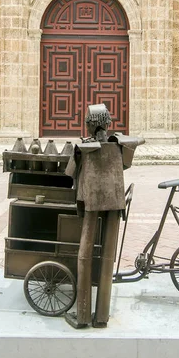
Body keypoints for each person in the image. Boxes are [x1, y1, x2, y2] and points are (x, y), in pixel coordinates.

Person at [65, 104, 144, 328]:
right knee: (108, 256)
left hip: (91, 200)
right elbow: (127, 161)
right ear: (108, 123)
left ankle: (81, 316)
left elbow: (69, 172)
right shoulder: (121, 144)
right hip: (115, 199)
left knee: (85, 254)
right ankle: (101, 317)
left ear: (89, 125)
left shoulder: (82, 147)